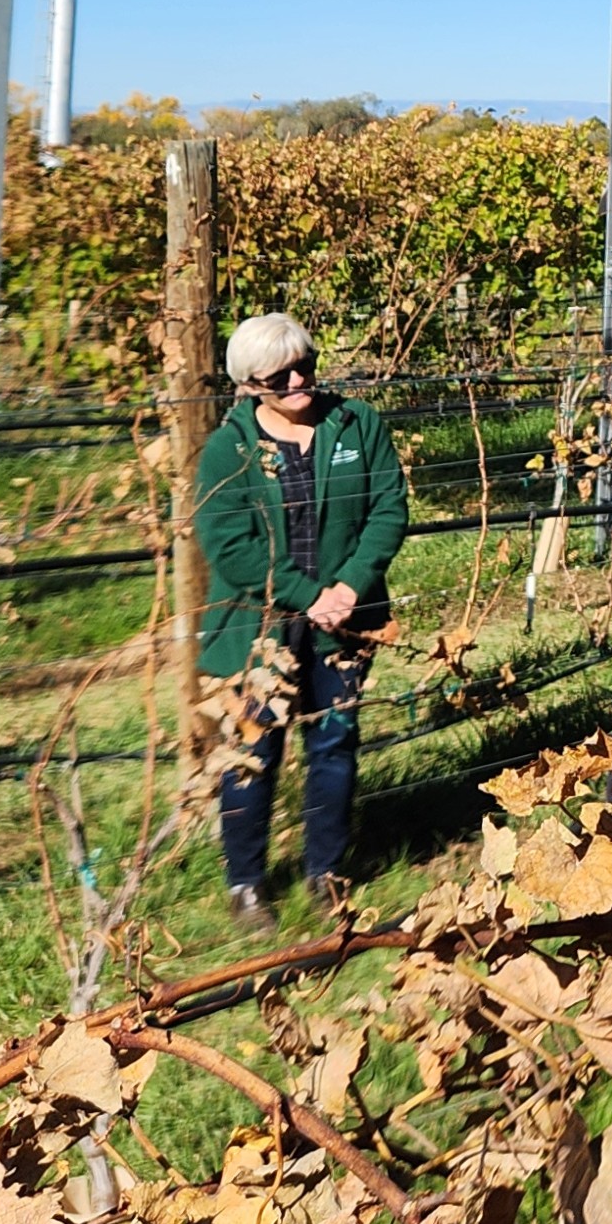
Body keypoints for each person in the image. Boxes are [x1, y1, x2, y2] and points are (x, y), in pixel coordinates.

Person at [192, 312, 410, 936]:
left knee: (335, 742)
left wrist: (348, 588)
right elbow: (229, 545)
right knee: (253, 751)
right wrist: (306, 594)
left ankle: (326, 872)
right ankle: (246, 884)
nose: (298, 380)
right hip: (257, 630)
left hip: (343, 623)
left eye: (306, 366)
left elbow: (388, 508)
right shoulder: (227, 450)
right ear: (248, 384)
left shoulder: (357, 424)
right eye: (280, 375)